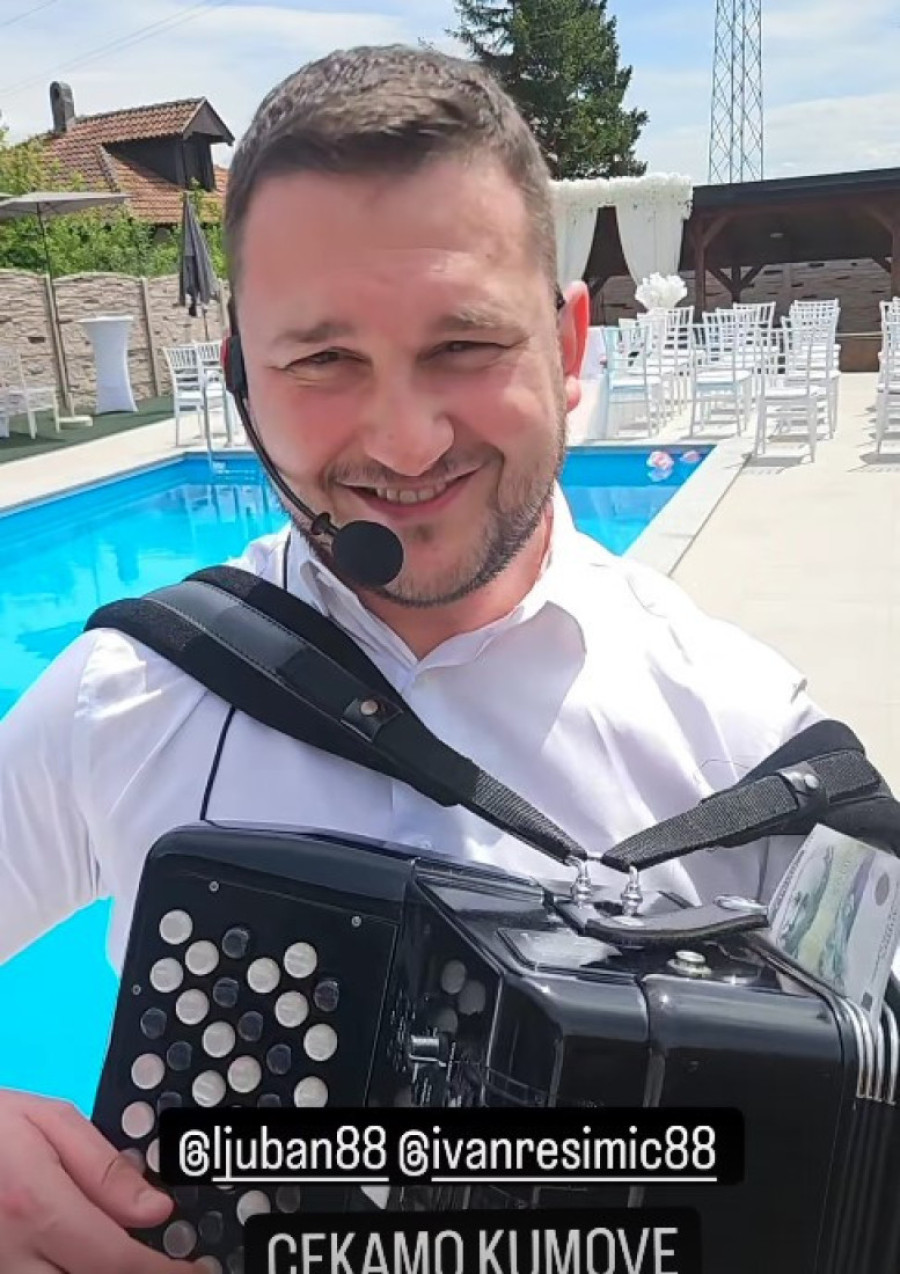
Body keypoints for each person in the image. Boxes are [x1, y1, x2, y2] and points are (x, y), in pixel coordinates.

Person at [0, 44, 824, 1272]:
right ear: (242, 380)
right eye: (323, 360)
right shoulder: (128, 693)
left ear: (571, 347)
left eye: (465, 344)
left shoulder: (750, 743)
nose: (405, 440)